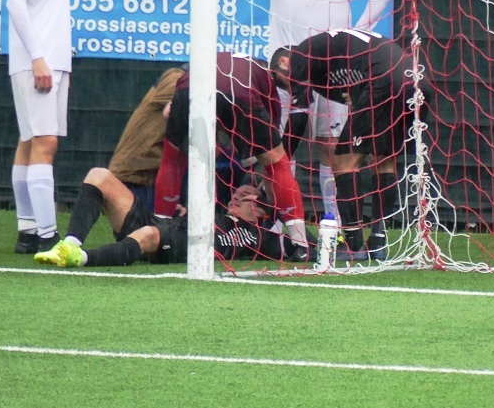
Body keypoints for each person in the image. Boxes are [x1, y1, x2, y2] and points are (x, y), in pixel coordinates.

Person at [224, 0, 394, 222]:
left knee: (330, 147)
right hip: (284, 70)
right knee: (276, 151)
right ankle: (280, 227)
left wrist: (354, 37)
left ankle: (336, 225)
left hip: (330, 69)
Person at [285, 28, 432, 258]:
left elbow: (299, 116)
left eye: (278, 79)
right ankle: (378, 239)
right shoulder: (336, 59)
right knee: (383, 161)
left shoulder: (298, 57)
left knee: (344, 162)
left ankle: (352, 244)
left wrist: (281, 162)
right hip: (418, 82)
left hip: (384, 81)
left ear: (283, 61)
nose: (285, 86)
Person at [9, 0, 102, 257]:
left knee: (30, 141)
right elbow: (16, 1)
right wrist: (38, 58)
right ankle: (48, 237)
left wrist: (59, 63)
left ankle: (28, 231)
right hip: (38, 60)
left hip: (50, 60)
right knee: (44, 143)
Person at [152, 51, 311, 262]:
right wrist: (272, 198)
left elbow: (173, 102)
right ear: (281, 63)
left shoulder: (220, 59)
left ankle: (159, 231)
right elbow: (270, 161)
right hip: (239, 92)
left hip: (189, 89)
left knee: (172, 160)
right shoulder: (266, 82)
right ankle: (300, 245)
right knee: (278, 164)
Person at [34, 167, 290, 267]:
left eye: (244, 197)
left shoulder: (260, 238)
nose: (236, 197)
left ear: (259, 211)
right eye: (236, 193)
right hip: (168, 226)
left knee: (148, 235)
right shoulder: (218, 215)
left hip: (186, 245)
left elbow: (299, 245)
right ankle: (70, 244)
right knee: (99, 176)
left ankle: (81, 259)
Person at [107, 66, 186, 211]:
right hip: (134, 175)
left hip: (152, 176)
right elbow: (178, 100)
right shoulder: (175, 78)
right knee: (143, 225)